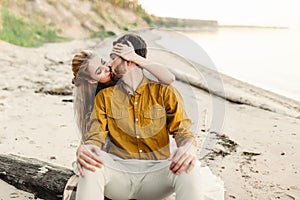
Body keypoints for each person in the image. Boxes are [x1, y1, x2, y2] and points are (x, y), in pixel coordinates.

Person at [74, 33, 225, 200]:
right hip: (120, 175)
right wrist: (87, 147)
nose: (109, 63)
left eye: (114, 57)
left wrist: (189, 146)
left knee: (190, 164)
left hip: (156, 177)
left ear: (130, 60)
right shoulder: (104, 97)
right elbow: (96, 134)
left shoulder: (164, 92)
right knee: (90, 162)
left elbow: (182, 131)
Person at [71, 42, 175, 141]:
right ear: (92, 80)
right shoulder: (96, 98)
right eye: (99, 71)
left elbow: (169, 78)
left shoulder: (121, 73)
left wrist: (134, 56)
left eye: (103, 62)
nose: (107, 68)